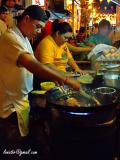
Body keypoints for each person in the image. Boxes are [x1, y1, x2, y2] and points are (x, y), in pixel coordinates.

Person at [0, 5, 80, 151]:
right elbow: (33, 65)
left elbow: (39, 65)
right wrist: (67, 80)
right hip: (11, 107)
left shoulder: (23, 38)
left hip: (22, 101)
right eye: (37, 27)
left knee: (23, 142)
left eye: (40, 28)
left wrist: (59, 76)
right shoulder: (10, 37)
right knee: (13, 149)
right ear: (26, 19)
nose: (38, 32)